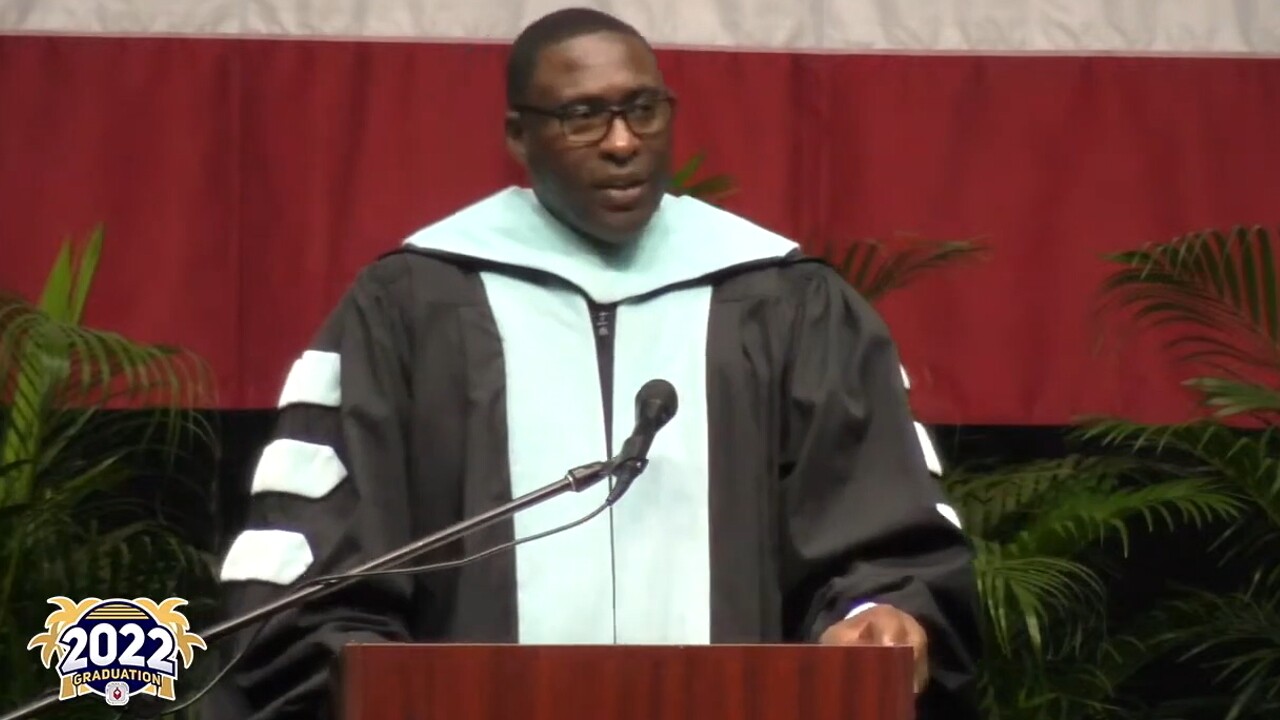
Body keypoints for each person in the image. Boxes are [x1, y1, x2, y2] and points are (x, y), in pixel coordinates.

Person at [206, 7, 981, 720]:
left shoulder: (783, 301)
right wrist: (364, 670)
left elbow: (879, 532)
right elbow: (321, 572)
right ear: (518, 135)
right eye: (583, 117)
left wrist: (881, 616)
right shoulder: (410, 307)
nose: (621, 142)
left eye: (642, 109)